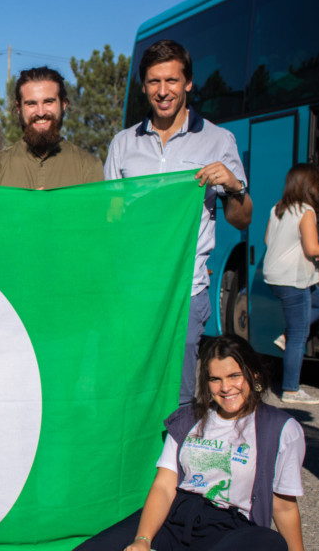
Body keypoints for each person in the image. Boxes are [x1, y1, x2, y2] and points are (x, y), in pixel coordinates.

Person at [105, 39, 253, 406]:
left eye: (172, 80)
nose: (163, 91)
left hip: (188, 291)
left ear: (188, 83)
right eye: (154, 82)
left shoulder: (219, 140)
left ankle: (179, 461)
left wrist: (233, 187)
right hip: (134, 291)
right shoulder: (122, 145)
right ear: (143, 87)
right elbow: (109, 218)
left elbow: (242, 218)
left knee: (182, 392)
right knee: (132, 388)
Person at [75, 334, 305, 551]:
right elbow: (164, 487)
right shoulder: (188, 419)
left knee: (270, 542)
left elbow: (283, 505)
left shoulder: (282, 428)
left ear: (254, 376)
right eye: (215, 379)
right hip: (176, 515)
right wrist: (142, 540)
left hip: (231, 528)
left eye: (234, 376)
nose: (225, 388)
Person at [263, 164, 319, 405]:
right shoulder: (305, 211)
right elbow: (313, 249)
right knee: (299, 334)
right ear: (310, 186)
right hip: (292, 279)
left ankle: (286, 337)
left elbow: (267, 239)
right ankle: (291, 390)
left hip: (276, 276)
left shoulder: (278, 209)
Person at [0, 67, 102, 189]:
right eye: (31, 104)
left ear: (63, 104)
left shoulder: (88, 167)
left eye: (49, 102)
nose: (40, 112)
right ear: (18, 107)